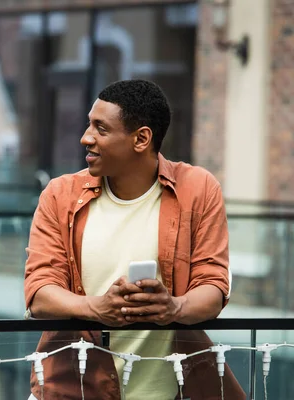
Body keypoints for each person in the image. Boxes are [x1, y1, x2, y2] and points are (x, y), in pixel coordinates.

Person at [23, 80, 245, 400]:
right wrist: (96, 308)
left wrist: (174, 307)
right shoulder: (60, 195)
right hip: (73, 388)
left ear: (141, 138)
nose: (86, 138)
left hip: (169, 391)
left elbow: (213, 288)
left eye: (101, 128)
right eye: (89, 125)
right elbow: (39, 295)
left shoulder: (198, 189)